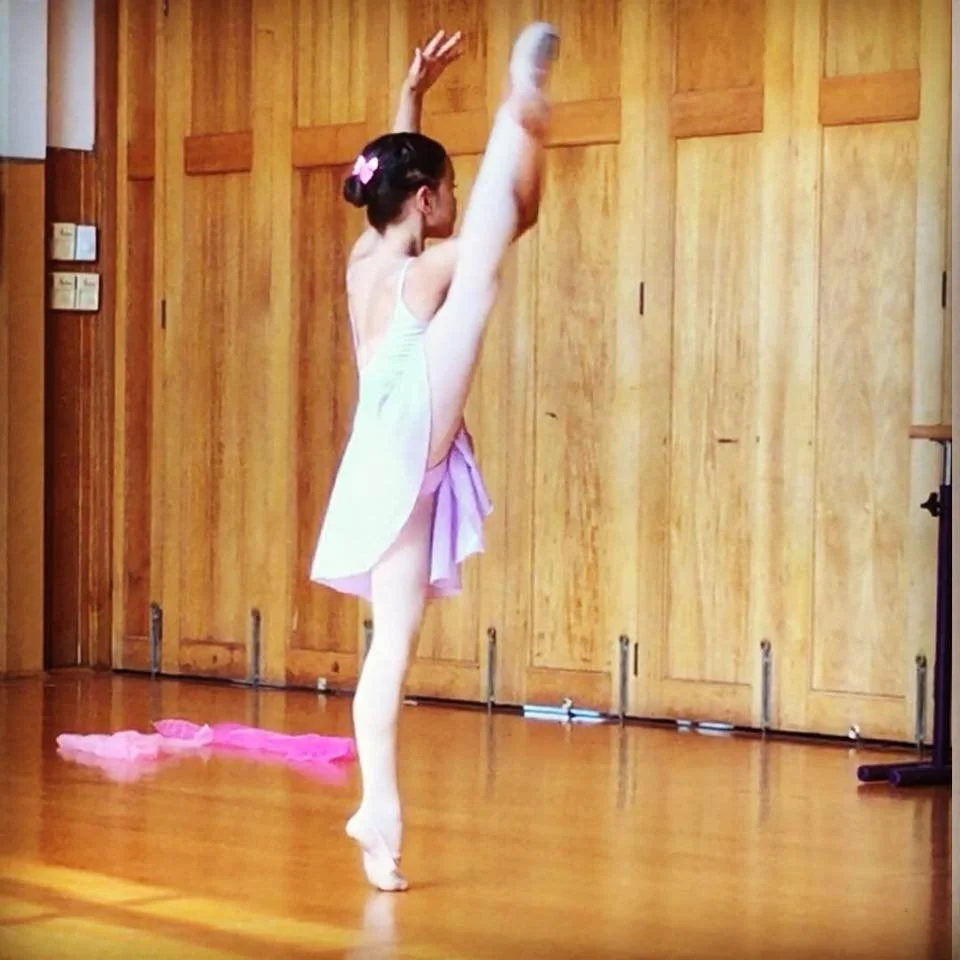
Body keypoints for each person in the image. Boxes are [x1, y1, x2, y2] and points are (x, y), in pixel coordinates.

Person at [309, 22, 559, 892]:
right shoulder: (426, 271)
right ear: (425, 200)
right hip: (409, 426)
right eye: (443, 190)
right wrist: (515, 155)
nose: (442, 202)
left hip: (379, 467)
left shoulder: (363, 257)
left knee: (392, 650)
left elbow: (391, 180)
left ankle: (378, 816)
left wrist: (411, 98)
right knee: (486, 263)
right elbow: (494, 227)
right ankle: (514, 113)